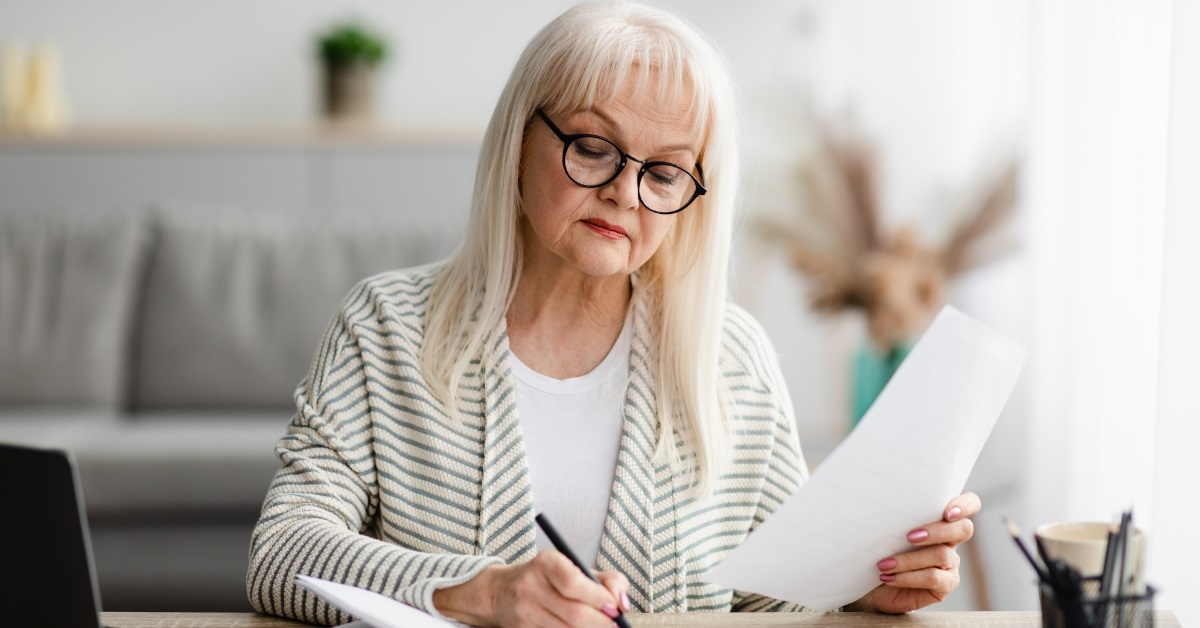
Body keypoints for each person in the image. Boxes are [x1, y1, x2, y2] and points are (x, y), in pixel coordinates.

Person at [246, 2, 980, 626]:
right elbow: (282, 550)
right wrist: (482, 594)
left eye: (664, 171)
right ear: (517, 140)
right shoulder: (385, 328)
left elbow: (773, 603)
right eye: (594, 148)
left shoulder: (731, 359)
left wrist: (862, 590)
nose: (626, 193)